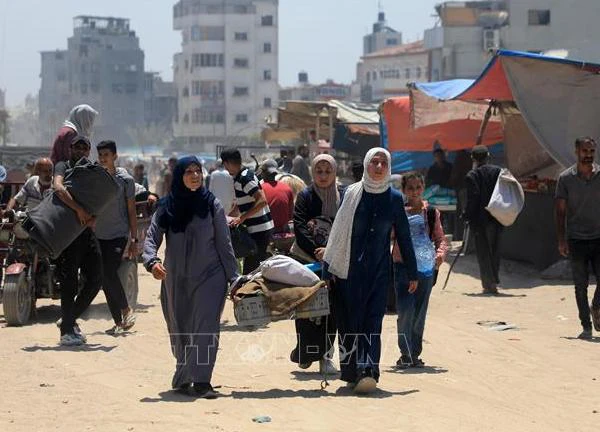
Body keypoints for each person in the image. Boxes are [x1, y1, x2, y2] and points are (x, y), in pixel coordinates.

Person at [323, 148, 417, 394]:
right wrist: (327, 270)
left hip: (379, 270)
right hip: (349, 270)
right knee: (351, 321)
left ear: (388, 168)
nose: (378, 167)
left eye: (383, 163)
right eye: (374, 162)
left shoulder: (395, 199)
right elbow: (338, 233)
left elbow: (404, 238)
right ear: (366, 165)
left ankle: (368, 370)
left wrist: (413, 273)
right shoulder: (352, 193)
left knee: (373, 321)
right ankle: (352, 372)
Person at [143, 156, 238, 398]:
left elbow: (224, 244)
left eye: (198, 171)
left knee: (206, 328)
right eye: (189, 172)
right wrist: (152, 261)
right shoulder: (167, 206)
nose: (195, 175)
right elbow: (152, 236)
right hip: (176, 279)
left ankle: (203, 381)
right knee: (180, 328)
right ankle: (184, 375)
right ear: (179, 176)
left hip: (210, 275)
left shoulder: (211, 204)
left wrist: (234, 278)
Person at [290, 154, 344, 374]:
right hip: (306, 259)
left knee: (331, 310)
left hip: (334, 262)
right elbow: (300, 226)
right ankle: (305, 351)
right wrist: (316, 250)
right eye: (319, 171)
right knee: (305, 308)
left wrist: (330, 252)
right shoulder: (305, 195)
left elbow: (345, 227)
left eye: (327, 171)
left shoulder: (343, 196)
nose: (323, 176)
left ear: (334, 172)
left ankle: (326, 357)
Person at [53, 136, 103, 346]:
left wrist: (94, 215)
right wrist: (79, 209)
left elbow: (101, 196)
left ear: (88, 151)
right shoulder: (63, 165)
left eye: (85, 147)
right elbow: (58, 187)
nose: (81, 150)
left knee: (96, 278)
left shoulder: (91, 169)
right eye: (77, 147)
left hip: (86, 231)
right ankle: (67, 332)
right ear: (71, 148)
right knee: (69, 282)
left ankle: (68, 319)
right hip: (68, 231)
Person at [395, 172, 448, 368]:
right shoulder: (398, 212)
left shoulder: (432, 213)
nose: (415, 192)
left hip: (425, 270)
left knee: (419, 312)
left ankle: (414, 353)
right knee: (405, 311)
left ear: (423, 187)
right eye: (410, 188)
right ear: (404, 190)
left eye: (418, 187)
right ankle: (405, 353)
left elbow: (440, 239)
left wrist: (439, 257)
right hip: (402, 267)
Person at [555, 137, 600, 340]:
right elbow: (560, 212)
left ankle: (596, 306)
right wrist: (562, 240)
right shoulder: (565, 179)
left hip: (598, 236)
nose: (588, 155)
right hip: (576, 238)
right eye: (585, 151)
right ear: (577, 152)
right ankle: (586, 326)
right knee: (580, 285)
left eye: (591, 151)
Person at [95, 141, 138, 335]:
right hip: (99, 234)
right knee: (104, 279)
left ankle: (126, 309)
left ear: (115, 156)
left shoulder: (125, 179)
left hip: (118, 234)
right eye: (100, 155)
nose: (103, 158)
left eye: (106, 154)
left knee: (109, 271)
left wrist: (134, 239)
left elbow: (131, 210)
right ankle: (119, 322)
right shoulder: (95, 177)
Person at [220, 148, 274, 274]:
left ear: (227, 163)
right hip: (255, 230)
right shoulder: (239, 177)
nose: (226, 169)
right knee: (251, 267)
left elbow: (262, 200)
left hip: (260, 230)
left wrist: (242, 218)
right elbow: (241, 204)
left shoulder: (245, 178)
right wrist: (227, 218)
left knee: (251, 270)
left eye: (225, 165)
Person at [464, 145, 503, 295]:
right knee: (495, 250)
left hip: (480, 221)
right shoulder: (498, 172)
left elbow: (472, 198)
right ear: (488, 156)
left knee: (483, 252)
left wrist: (466, 215)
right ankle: (493, 282)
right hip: (497, 217)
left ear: (473, 159)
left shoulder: (472, 175)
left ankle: (489, 284)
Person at [259, 159, 294, 233]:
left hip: (266, 232)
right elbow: (291, 215)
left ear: (263, 173)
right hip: (284, 232)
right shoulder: (287, 188)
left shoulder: (259, 189)